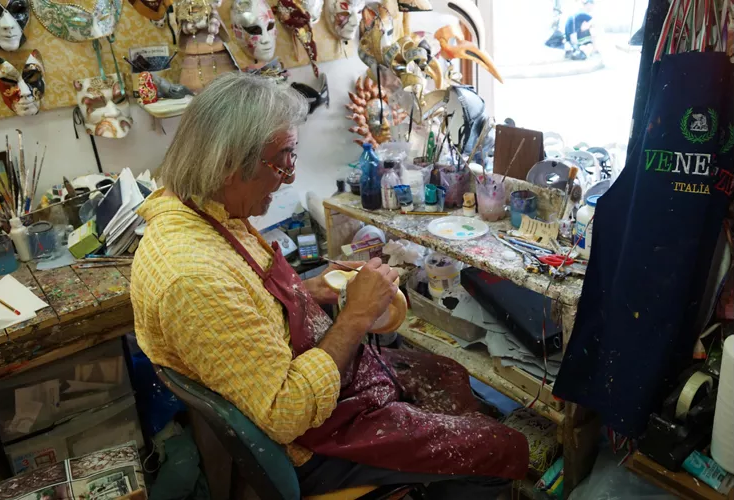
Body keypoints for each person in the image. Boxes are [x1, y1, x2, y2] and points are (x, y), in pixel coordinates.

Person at [131, 72, 529, 499]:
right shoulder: (194, 278)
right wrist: (355, 317)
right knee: (498, 448)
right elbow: (287, 413)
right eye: (282, 159)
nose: (288, 176)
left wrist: (311, 289)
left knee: (448, 371)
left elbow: (247, 303)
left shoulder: (199, 212)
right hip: (310, 446)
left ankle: (439, 469)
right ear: (229, 165)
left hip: (311, 389)